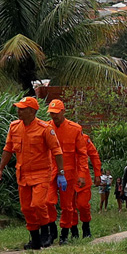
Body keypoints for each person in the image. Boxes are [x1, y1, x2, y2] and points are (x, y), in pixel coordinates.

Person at [0, 97, 64, 250]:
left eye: (22, 109)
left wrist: (61, 173)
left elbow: (57, 151)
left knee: (39, 204)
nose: (18, 111)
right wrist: (0, 169)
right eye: (18, 108)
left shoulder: (44, 128)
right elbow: (8, 149)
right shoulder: (14, 127)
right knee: (26, 208)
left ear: (32, 111)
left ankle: (46, 234)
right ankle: (35, 239)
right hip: (23, 174)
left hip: (41, 173)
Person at [45, 99, 88, 245]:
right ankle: (52, 231)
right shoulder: (46, 127)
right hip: (50, 171)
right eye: (51, 113)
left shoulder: (75, 129)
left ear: (63, 112)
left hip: (69, 173)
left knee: (67, 206)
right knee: (48, 201)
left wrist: (82, 175)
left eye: (56, 113)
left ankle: (64, 233)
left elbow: (82, 154)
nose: (54, 116)